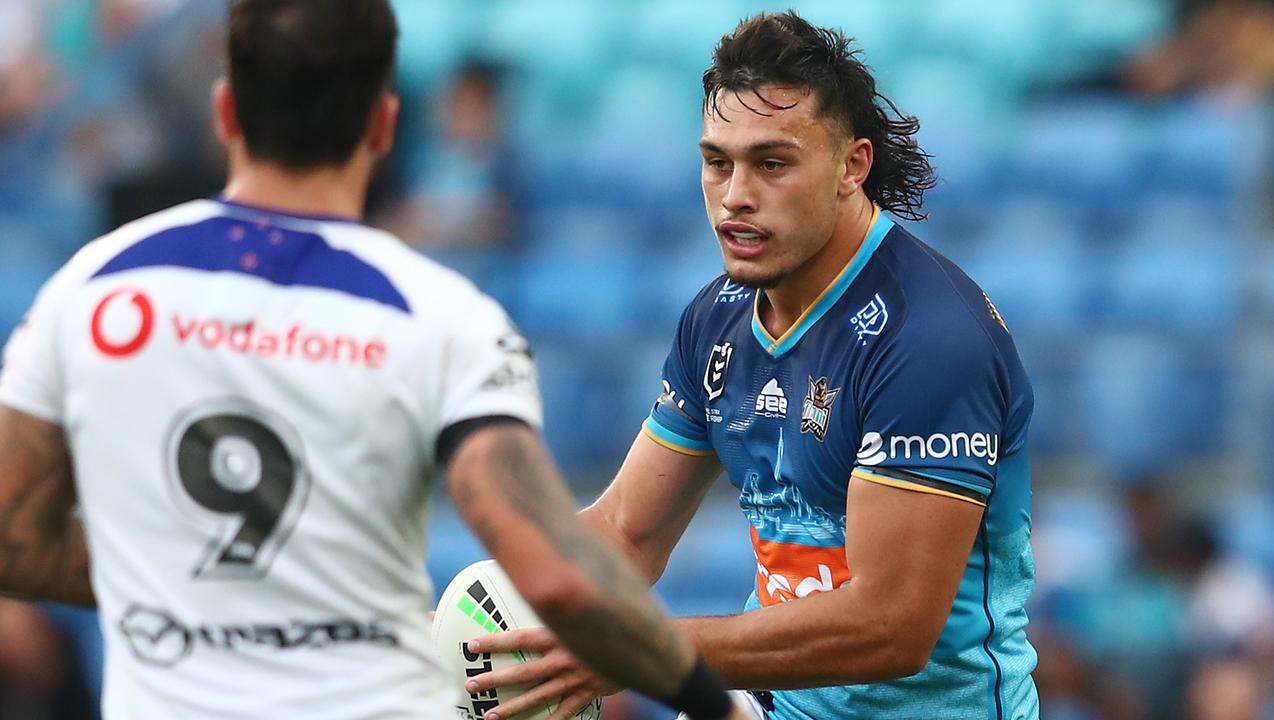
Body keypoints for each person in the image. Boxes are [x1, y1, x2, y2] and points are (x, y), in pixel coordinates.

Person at [0, 2, 747, 719]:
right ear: (385, 124)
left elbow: (12, 538)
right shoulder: (440, 316)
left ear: (226, 111)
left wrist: (172, 568)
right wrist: (711, 706)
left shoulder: (93, 289)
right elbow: (555, 575)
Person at [467, 11, 1040, 720]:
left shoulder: (928, 341)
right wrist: (509, 609)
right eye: (718, 162)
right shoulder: (718, 319)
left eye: (771, 163)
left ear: (851, 166)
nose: (736, 194)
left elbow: (890, 627)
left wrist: (638, 649)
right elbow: (627, 530)